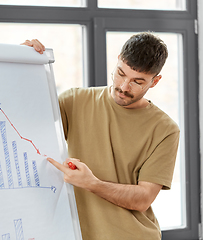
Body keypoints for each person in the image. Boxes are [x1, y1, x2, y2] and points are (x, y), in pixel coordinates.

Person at [22, 32, 180, 240]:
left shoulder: (165, 129)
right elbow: (22, 121)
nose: (124, 87)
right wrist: (22, 64)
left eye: (137, 82)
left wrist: (92, 183)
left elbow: (143, 199)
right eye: (121, 74)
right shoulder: (74, 101)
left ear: (155, 81)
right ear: (117, 62)